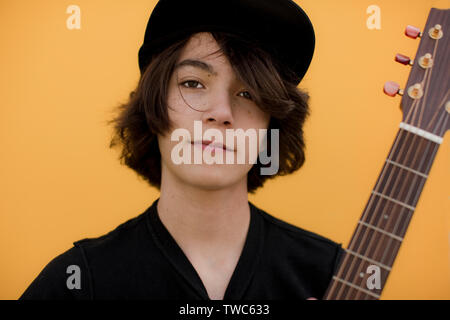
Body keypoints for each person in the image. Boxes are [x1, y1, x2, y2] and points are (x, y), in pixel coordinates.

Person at [20, 0, 344, 300]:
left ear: (270, 125)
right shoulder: (76, 282)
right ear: (154, 103)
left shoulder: (333, 274)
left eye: (248, 93)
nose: (220, 112)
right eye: (193, 83)